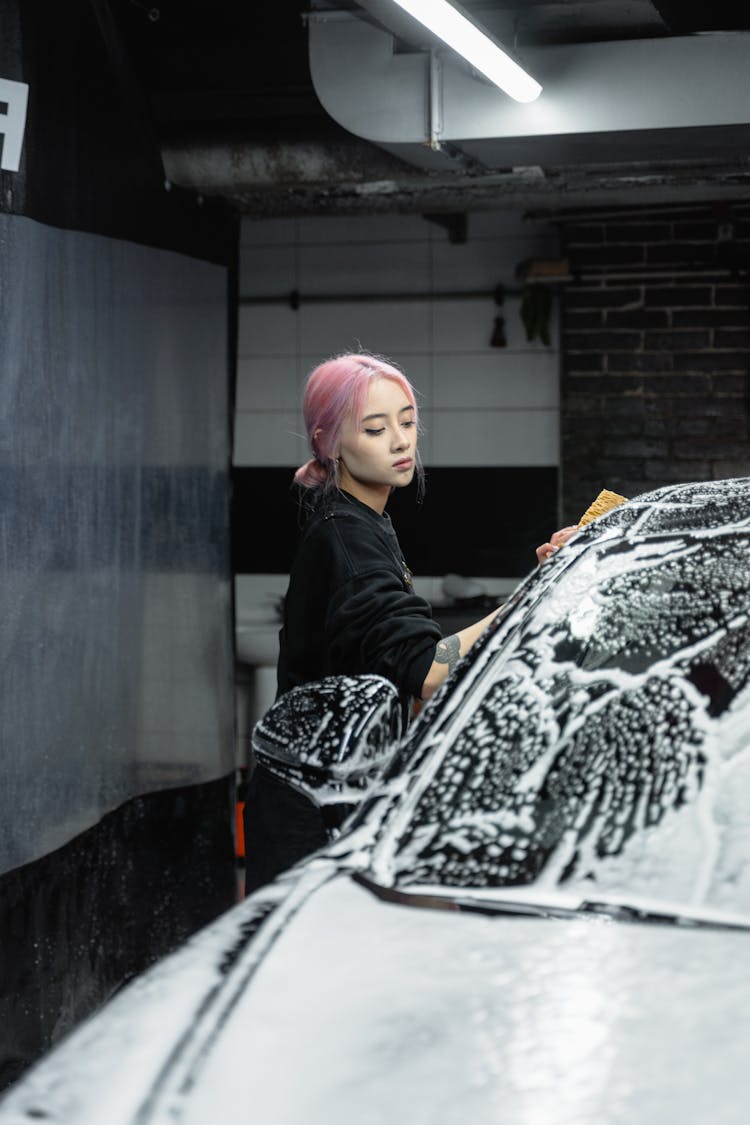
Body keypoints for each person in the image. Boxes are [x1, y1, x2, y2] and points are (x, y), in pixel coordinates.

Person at [244, 351, 572, 892]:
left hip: (343, 794)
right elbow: (428, 669)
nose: (400, 440)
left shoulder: (366, 523)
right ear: (329, 443)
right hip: (313, 814)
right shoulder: (347, 537)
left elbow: (397, 675)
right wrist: (535, 596)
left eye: (408, 421)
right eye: (375, 428)